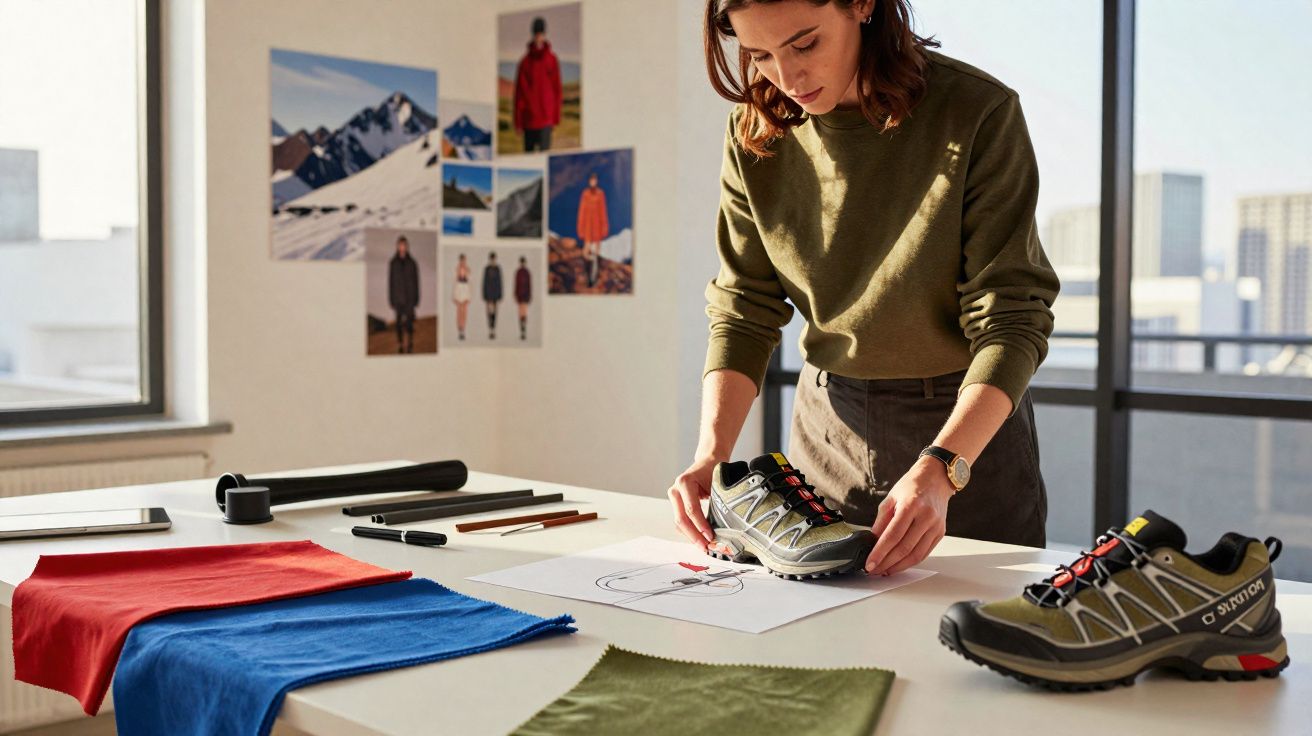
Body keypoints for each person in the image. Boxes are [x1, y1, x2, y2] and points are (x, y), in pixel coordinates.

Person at [668, 0, 1061, 577]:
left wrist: (943, 468)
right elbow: (743, 308)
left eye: (804, 44)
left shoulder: (977, 110)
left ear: (862, 4)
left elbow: (1012, 316)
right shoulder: (757, 129)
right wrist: (712, 455)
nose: (787, 77)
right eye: (760, 55)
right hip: (826, 430)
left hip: (966, 435)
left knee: (964, 641)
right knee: (818, 643)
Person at [513, 16, 562, 152]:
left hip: (546, 120)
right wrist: (518, 122)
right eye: (536, 33)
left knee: (545, 157)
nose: (538, 37)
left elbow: (557, 89)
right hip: (529, 120)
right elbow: (519, 94)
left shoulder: (552, 60)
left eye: (541, 33)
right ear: (532, 34)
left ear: (545, 34)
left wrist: (555, 118)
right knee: (528, 159)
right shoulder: (524, 62)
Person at [387, 235, 420, 354]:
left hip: (410, 298)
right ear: (397, 246)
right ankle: (400, 344)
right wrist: (390, 300)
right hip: (398, 298)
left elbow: (417, 281)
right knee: (398, 324)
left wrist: (417, 299)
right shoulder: (393, 263)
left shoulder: (412, 263)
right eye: (400, 245)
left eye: (404, 245)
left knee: (410, 323)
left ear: (407, 247)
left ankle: (410, 343)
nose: (402, 247)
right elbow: (390, 282)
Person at [576, 172, 609, 287]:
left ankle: (592, 278)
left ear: (597, 181)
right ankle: (587, 275)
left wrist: (605, 227)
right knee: (585, 253)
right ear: (589, 181)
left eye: (595, 180)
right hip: (587, 228)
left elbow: (603, 211)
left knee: (595, 253)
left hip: (597, 227)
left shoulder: (601, 194)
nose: (593, 182)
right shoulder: (585, 194)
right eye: (591, 180)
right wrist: (580, 228)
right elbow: (581, 212)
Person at [483, 251, 503, 339]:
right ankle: (490, 329)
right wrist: (484, 294)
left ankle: (493, 329)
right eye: (492, 259)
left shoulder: (498, 268)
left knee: (495, 311)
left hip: (495, 292)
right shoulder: (487, 269)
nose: (493, 260)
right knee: (489, 311)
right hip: (488, 292)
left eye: (494, 258)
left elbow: (500, 282)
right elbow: (484, 282)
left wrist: (500, 294)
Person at [452, 253, 471, 340]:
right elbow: (455, 282)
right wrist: (454, 295)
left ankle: (463, 330)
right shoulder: (457, 269)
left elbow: (470, 282)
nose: (463, 261)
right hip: (459, 289)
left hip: (465, 289)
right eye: (461, 260)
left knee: (464, 311)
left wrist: (469, 295)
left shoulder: (468, 269)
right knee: (459, 311)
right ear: (459, 260)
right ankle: (459, 330)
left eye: (464, 260)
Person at [515, 256, 533, 340]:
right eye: (522, 262)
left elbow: (529, 285)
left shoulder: (527, 272)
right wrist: (515, 294)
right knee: (521, 312)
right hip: (520, 295)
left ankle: (524, 330)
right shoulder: (518, 272)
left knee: (524, 312)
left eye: (523, 262)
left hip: (525, 294)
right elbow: (516, 284)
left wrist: (530, 295)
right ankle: (522, 331)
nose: (522, 264)